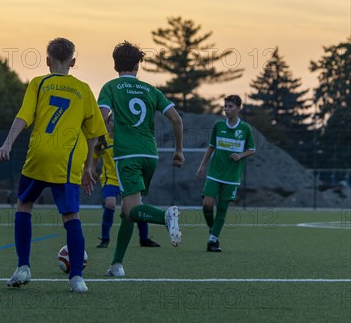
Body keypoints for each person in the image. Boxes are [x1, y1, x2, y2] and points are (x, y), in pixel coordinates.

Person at [0, 38, 107, 293]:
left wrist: (7, 144)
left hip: (39, 155)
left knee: (24, 206)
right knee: (71, 216)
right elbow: (93, 134)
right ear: (73, 62)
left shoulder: (39, 83)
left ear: (47, 61)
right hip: (67, 161)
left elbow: (23, 116)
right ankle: (77, 278)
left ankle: (23, 267)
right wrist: (88, 166)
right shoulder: (83, 89)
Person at [97, 41, 185, 278]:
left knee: (133, 208)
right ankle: (117, 264)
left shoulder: (111, 87)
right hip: (150, 155)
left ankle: (165, 216)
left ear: (115, 65)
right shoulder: (151, 90)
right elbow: (176, 120)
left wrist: (95, 143)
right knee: (127, 211)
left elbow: (101, 118)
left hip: (127, 155)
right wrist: (178, 150)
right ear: (138, 65)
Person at [196, 95, 256, 252]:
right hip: (214, 173)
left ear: (238, 108)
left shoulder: (245, 129)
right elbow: (211, 147)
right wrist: (202, 165)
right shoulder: (218, 126)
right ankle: (212, 230)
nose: (227, 109)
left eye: (230, 106)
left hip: (232, 176)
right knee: (207, 205)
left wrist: (241, 155)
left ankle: (212, 240)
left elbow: (252, 149)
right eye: (225, 106)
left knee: (222, 209)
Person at [93, 112, 161, 249]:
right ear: (108, 123)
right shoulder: (103, 140)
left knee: (135, 208)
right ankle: (104, 239)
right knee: (110, 204)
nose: (114, 123)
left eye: (117, 120)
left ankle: (144, 239)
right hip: (110, 180)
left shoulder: (127, 140)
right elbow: (95, 154)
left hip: (126, 179)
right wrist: (91, 169)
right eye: (111, 120)